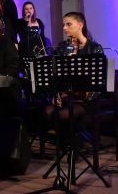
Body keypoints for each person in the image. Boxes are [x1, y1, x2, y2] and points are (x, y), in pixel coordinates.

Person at [43, 12, 104, 145]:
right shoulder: (62, 48)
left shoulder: (94, 48)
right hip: (67, 97)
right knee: (48, 111)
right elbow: (54, 74)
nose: (64, 28)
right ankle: (72, 142)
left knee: (63, 115)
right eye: (64, 24)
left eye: (68, 24)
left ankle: (74, 144)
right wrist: (57, 94)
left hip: (87, 100)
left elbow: (98, 81)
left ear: (80, 25)